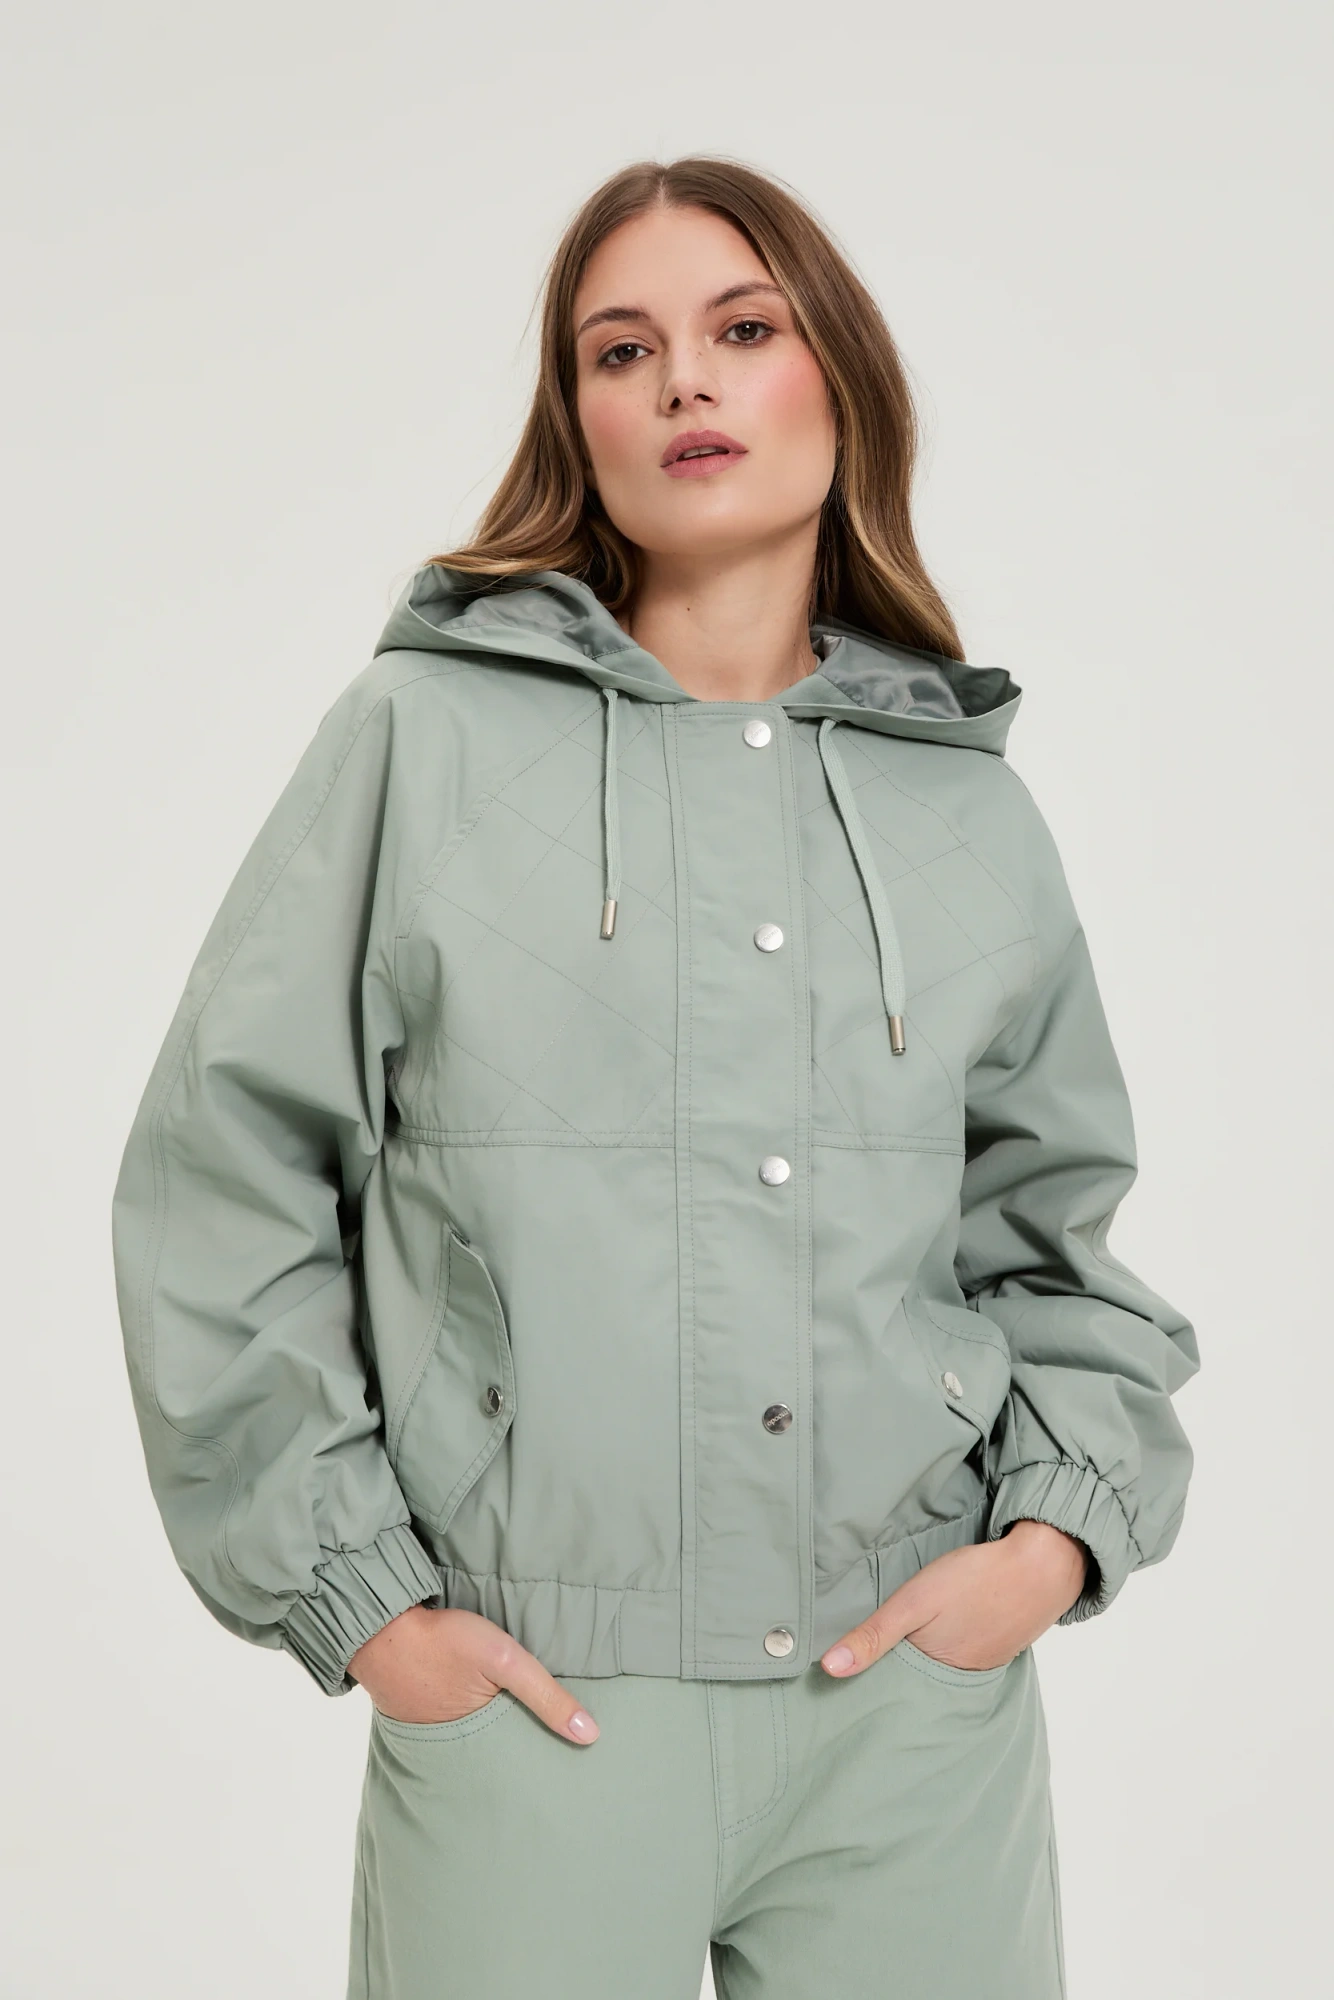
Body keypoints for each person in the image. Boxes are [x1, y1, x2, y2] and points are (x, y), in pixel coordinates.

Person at [110, 155, 1200, 1999]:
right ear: (579, 421)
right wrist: (370, 1611)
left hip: (911, 1721)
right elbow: (222, 1181)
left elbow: (1052, 1234)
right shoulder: (419, 737)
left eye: (742, 329)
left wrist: (1042, 1547)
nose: (684, 378)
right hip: (533, 1709)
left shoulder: (963, 806)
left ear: (839, 378)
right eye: (621, 350)